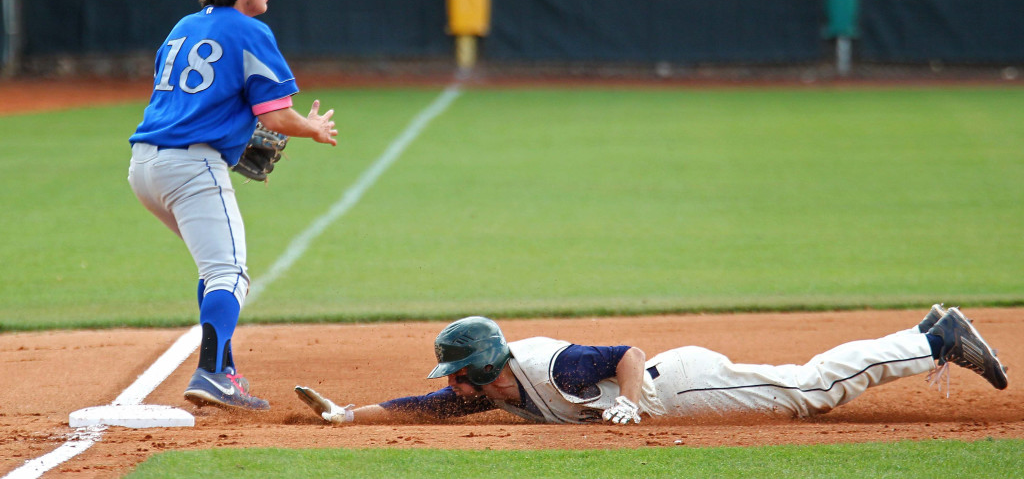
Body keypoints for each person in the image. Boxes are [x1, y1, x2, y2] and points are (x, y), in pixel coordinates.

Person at [129, 0, 338, 411]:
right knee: (230, 271)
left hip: (144, 166)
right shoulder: (250, 30)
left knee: (214, 267)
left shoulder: (184, 26)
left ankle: (223, 370)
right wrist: (314, 128)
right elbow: (278, 116)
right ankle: (211, 373)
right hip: (191, 166)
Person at [295, 305, 1008, 424]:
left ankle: (931, 339)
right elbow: (428, 409)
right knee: (807, 388)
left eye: (455, 375)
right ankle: (927, 339)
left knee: (810, 390)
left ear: (481, 367)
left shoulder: (552, 367)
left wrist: (630, 402)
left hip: (682, 385)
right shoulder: (487, 389)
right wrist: (346, 414)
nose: (450, 389)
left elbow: (628, 356)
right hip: (671, 390)